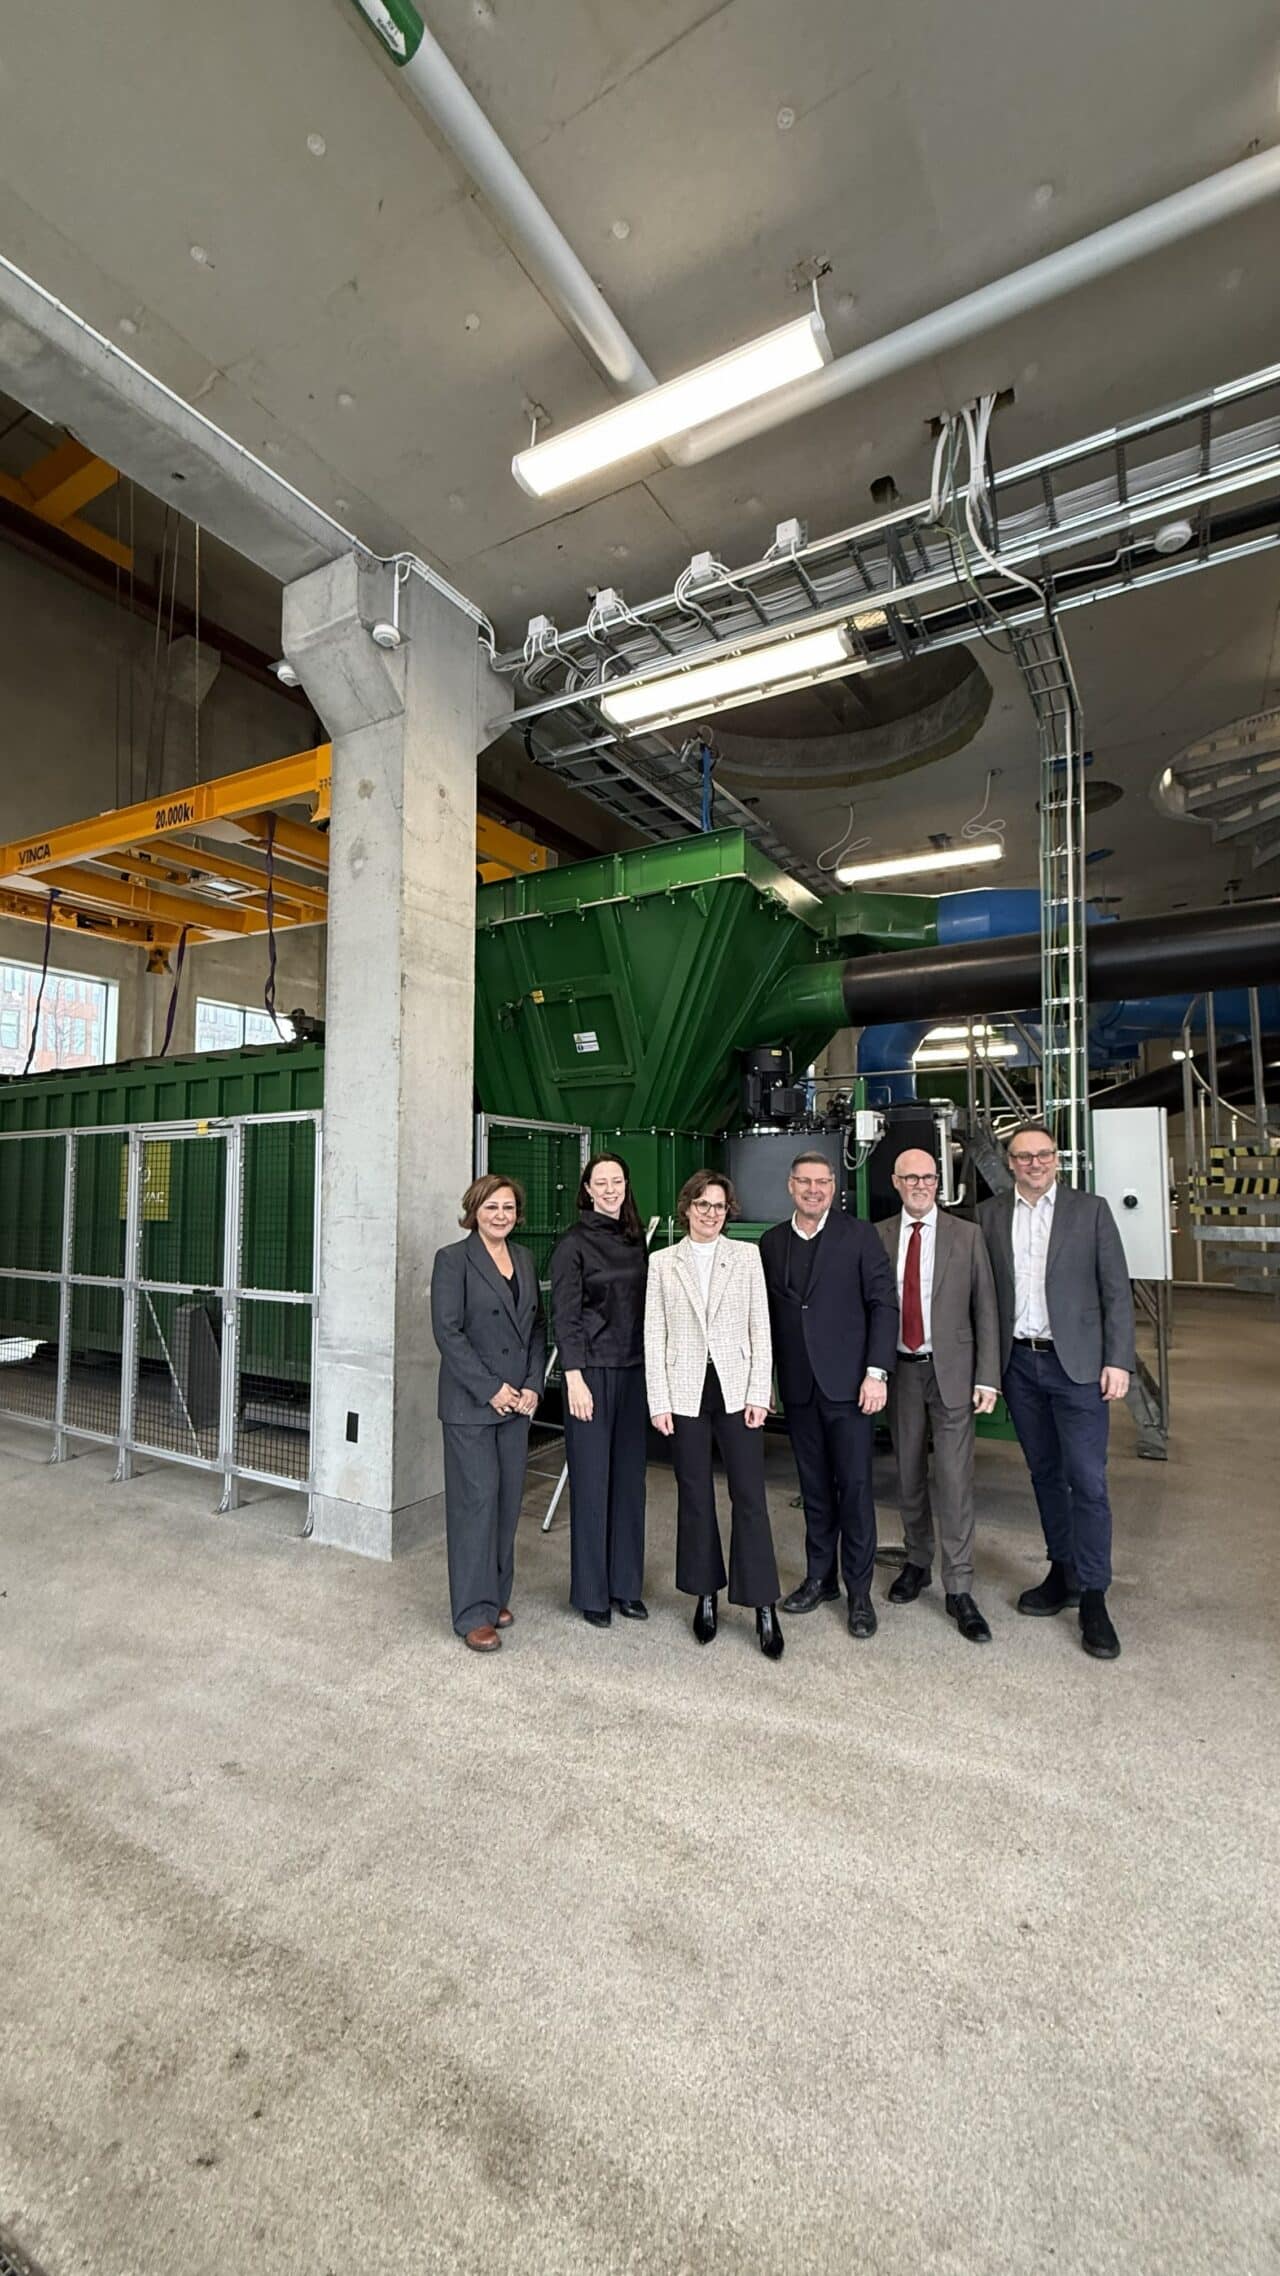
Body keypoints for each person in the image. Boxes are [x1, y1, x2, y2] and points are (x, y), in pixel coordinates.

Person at [977, 1124, 1135, 1661]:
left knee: (1087, 1480)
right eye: (1024, 1156)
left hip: (1079, 1367)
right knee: (1044, 1473)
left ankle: (1094, 1595)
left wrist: (1118, 1359)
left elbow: (1116, 1291)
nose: (1034, 1163)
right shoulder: (990, 1215)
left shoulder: (1090, 1212)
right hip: (1020, 1364)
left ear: (1057, 1160)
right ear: (1010, 1162)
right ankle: (1062, 1571)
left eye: (1043, 1154)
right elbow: (985, 1298)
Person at [759, 1152, 898, 1640]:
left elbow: (883, 1305)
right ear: (790, 1186)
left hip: (850, 1387)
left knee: (855, 1490)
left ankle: (859, 1593)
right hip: (799, 1389)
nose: (813, 1190)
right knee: (814, 1489)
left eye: (821, 1182)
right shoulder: (772, 1243)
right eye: (804, 1181)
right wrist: (764, 1380)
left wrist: (876, 1374)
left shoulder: (859, 1236)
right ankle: (821, 1579)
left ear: (834, 1187)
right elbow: (765, 1318)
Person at [644, 1170, 783, 1658]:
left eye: (719, 1206)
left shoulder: (746, 1257)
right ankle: (705, 1594)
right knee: (695, 1494)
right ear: (687, 1208)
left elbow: (761, 1328)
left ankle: (763, 1602)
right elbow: (654, 1334)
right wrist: (659, 1400)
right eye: (702, 1204)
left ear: (728, 1211)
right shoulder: (662, 1262)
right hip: (684, 1390)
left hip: (736, 1388)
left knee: (750, 1494)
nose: (710, 1214)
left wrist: (760, 1392)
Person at [877, 1149, 1001, 1644]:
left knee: (953, 1480)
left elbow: (986, 1308)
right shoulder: (879, 1235)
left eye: (927, 1177)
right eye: (910, 1177)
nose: (920, 1185)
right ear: (896, 1181)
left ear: (938, 1181)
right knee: (908, 1474)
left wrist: (987, 1377)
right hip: (900, 1372)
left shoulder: (966, 1235)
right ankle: (917, 1561)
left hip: (952, 1373)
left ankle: (959, 1585)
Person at [430, 1174, 546, 1654]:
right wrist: (491, 1389)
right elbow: (448, 1332)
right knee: (475, 1506)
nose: (501, 1215)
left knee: (506, 1502)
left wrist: (533, 1385)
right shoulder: (452, 1260)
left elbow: (536, 1327)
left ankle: (495, 1596)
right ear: (474, 1211)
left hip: (516, 1403)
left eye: (508, 1208)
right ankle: (472, 1613)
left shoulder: (524, 1258)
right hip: (472, 1406)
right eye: (491, 1207)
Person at [550, 1152, 649, 1628]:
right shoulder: (572, 1245)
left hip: (634, 1372)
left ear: (626, 1186)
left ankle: (626, 1587)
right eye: (601, 1182)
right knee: (591, 1483)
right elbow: (565, 1316)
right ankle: (592, 1593)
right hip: (590, 1375)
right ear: (587, 1190)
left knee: (629, 1483)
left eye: (617, 1181)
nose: (610, 1189)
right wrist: (574, 1377)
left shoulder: (634, 1239)